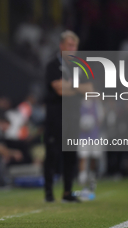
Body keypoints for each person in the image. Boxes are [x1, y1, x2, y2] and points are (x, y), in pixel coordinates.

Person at [44, 30, 93, 202]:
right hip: (56, 118)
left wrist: (69, 85)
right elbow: (59, 90)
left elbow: (90, 90)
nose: (73, 49)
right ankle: (49, 193)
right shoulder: (52, 65)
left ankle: (67, 192)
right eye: (70, 45)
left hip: (73, 117)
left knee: (70, 155)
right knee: (52, 155)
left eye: (75, 46)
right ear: (62, 46)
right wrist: (77, 87)